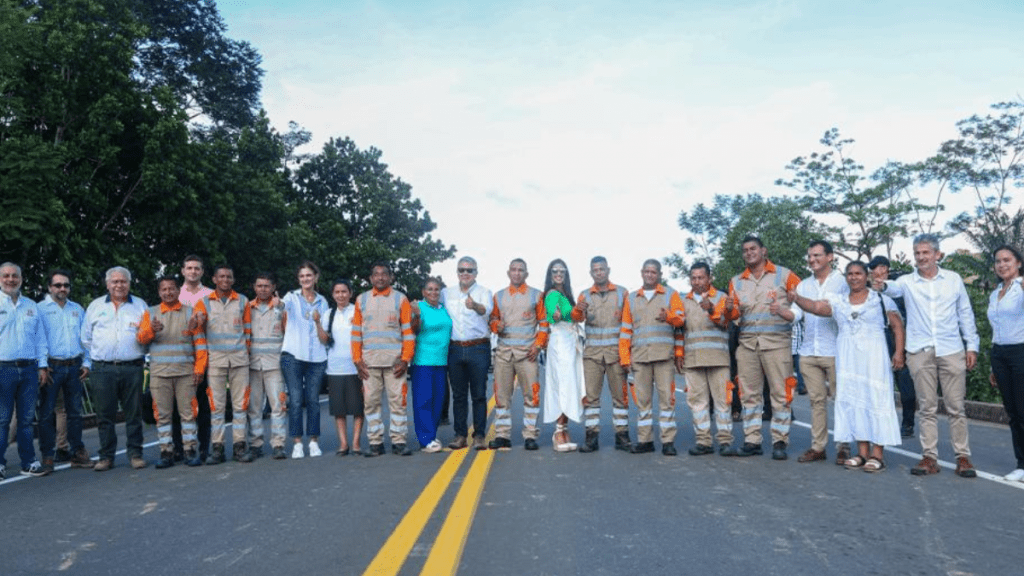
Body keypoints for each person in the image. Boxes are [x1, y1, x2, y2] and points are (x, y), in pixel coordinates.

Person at [875, 234, 980, 478]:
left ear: (937, 255)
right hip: (920, 351)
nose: (921, 257)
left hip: (951, 349)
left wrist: (972, 345)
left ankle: (962, 457)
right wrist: (882, 284)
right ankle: (929, 457)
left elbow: (965, 313)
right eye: (917, 253)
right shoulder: (906, 281)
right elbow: (892, 288)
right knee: (927, 407)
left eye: (925, 253)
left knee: (956, 407)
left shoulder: (953, 280)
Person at [790, 261, 905, 472]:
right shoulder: (839, 301)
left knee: (876, 400)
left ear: (866, 276)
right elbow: (816, 307)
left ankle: (877, 454)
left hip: (874, 358)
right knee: (855, 401)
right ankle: (862, 453)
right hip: (848, 358)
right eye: (850, 274)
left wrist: (899, 353)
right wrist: (796, 299)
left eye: (858, 273)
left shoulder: (880, 299)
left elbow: (897, 326)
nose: (854, 277)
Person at [727, 235, 801, 460]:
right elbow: (734, 316)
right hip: (748, 345)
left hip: (777, 344)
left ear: (763, 251)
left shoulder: (785, 275)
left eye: (753, 249)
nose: (749, 253)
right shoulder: (736, 281)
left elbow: (802, 300)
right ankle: (752, 440)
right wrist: (729, 309)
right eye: (745, 250)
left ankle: (779, 441)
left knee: (780, 394)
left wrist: (791, 305)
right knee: (749, 395)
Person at [81, 266, 149, 472]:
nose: (119, 285)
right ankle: (106, 456)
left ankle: (135, 454)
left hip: (133, 367)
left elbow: (148, 335)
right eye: (115, 282)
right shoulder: (95, 306)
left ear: (129, 284)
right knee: (104, 415)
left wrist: (145, 359)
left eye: (123, 281)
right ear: (107, 284)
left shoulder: (140, 305)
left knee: (134, 414)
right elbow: (86, 338)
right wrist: (100, 356)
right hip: (103, 369)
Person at [136, 277, 207, 468]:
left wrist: (199, 369)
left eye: (172, 289)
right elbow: (141, 339)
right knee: (163, 416)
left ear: (178, 291)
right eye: (164, 289)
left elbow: (200, 344)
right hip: (160, 374)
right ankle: (166, 451)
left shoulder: (191, 314)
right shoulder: (150, 314)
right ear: (159, 292)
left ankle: (190, 450)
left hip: (186, 374)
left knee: (189, 414)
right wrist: (151, 330)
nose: (168, 292)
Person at [791, 240, 849, 464]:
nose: (812, 260)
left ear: (830, 257)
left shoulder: (843, 283)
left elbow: (839, 312)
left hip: (835, 350)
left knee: (841, 400)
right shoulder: (803, 285)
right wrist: (780, 311)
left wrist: (801, 301)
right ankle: (818, 447)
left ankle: (843, 447)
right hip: (808, 351)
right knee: (816, 401)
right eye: (810, 256)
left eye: (817, 256)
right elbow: (796, 315)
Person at [619, 259, 685, 456]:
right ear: (641, 273)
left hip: (664, 356)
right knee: (643, 401)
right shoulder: (631, 298)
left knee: (667, 400)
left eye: (653, 272)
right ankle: (645, 440)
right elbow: (625, 330)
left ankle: (668, 441)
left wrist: (670, 317)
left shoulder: (670, 295)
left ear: (659, 275)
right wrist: (624, 358)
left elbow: (681, 320)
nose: (649, 275)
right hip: (640, 357)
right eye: (646, 271)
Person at [192, 265, 254, 465]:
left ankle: (239, 445)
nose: (225, 279)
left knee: (240, 405)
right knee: (216, 407)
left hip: (239, 360)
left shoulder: (243, 301)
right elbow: (196, 331)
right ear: (214, 279)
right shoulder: (203, 303)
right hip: (216, 361)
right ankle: (217, 448)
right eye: (221, 276)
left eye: (229, 276)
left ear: (233, 280)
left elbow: (248, 332)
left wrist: (245, 353)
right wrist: (196, 322)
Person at [353, 262, 416, 456]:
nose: (380, 278)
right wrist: (357, 360)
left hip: (395, 363)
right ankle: (375, 443)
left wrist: (406, 359)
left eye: (384, 274)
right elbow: (356, 334)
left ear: (390, 278)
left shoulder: (400, 299)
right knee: (371, 403)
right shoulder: (361, 300)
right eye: (376, 275)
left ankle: (399, 442)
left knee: (398, 402)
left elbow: (408, 332)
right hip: (369, 364)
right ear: (371, 279)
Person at [571, 256, 632, 452]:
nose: (599, 272)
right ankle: (591, 437)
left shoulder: (622, 294)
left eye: (602, 269)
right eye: (595, 270)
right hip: (593, 355)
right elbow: (577, 319)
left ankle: (622, 436)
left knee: (620, 398)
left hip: (616, 354)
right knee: (591, 398)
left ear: (608, 270)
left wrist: (627, 355)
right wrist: (578, 311)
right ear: (591, 273)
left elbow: (628, 324)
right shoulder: (584, 295)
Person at [37, 269, 95, 472]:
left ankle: (78, 452)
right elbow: (39, 340)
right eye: (58, 285)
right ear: (49, 287)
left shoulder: (77, 309)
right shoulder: (40, 309)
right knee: (46, 414)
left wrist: (87, 363)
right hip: (52, 368)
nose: (62, 288)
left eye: (66, 285)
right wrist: (42, 366)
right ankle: (47, 456)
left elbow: (87, 339)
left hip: (74, 367)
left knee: (75, 413)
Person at [489, 258, 549, 450]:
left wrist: (538, 345)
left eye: (520, 270)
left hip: (527, 354)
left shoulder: (536, 296)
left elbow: (544, 324)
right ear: (508, 273)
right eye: (513, 270)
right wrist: (495, 325)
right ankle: (502, 435)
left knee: (532, 395)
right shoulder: (498, 296)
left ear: (526, 274)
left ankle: (530, 435)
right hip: (504, 354)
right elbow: (493, 318)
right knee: (502, 396)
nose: (517, 273)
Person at [679, 262, 739, 456]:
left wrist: (711, 310)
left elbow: (725, 322)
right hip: (693, 359)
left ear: (709, 278)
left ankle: (725, 441)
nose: (697, 281)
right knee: (697, 402)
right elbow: (679, 330)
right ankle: (703, 441)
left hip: (718, 359)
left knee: (722, 402)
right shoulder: (682, 301)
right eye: (693, 278)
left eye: (701, 277)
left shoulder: (722, 297)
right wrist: (679, 354)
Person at [0, 262, 48, 479]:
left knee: (27, 420)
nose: (11, 279)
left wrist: (43, 365)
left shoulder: (31, 306)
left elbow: (40, 338)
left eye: (15, 276)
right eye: (6, 276)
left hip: (29, 369)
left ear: (21, 278)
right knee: (2, 420)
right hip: (4, 369)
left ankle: (28, 462)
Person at [441, 257, 493, 451]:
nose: (465, 273)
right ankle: (460, 435)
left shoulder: (484, 292)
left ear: (476, 273)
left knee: (479, 394)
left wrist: (475, 306)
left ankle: (479, 435)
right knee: (459, 395)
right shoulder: (447, 293)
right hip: (455, 348)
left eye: (469, 270)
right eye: (462, 270)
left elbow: (485, 311)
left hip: (478, 348)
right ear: (457, 272)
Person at [280, 261, 330, 458]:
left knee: (313, 400)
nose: (305, 279)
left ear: (315, 277)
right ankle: (297, 443)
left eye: (309, 275)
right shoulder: (291, 297)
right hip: (293, 355)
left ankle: (314, 441)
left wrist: (318, 321)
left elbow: (324, 333)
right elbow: (282, 307)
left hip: (316, 358)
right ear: (298, 279)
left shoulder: (323, 301)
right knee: (296, 399)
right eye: (302, 276)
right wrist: (278, 305)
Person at [868, 256, 916, 439]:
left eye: (879, 267)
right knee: (879, 385)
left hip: (899, 337)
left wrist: (900, 349)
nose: (876, 271)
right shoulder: (867, 289)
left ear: (886, 268)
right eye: (872, 268)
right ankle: (882, 423)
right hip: (877, 337)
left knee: (905, 385)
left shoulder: (899, 286)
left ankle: (908, 423)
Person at [987, 245, 1024, 481]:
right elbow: (995, 328)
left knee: (1023, 410)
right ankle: (1021, 464)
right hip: (999, 354)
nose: (1002, 265)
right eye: (998, 261)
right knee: (1012, 412)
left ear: (1018, 262)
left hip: (1020, 351)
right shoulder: (996, 292)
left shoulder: (1021, 287)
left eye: (1007, 260)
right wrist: (993, 366)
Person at [541, 259, 585, 452]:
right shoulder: (552, 294)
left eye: (562, 271)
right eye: (555, 271)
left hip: (571, 341)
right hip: (559, 343)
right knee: (563, 386)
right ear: (550, 274)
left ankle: (565, 429)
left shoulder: (566, 294)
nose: (558, 274)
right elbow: (552, 314)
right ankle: (558, 431)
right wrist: (556, 314)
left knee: (571, 386)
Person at [317, 278, 363, 456]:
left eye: (344, 291)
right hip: (335, 367)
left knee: (359, 407)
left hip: (356, 367)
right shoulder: (328, 314)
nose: (341, 295)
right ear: (332, 295)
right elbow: (324, 340)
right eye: (337, 292)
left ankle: (356, 443)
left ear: (350, 293)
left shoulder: (358, 311)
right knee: (339, 409)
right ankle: (343, 444)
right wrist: (317, 323)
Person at [175, 254, 214, 461]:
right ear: (183, 271)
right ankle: (180, 448)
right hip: (180, 358)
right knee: (179, 408)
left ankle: (205, 448)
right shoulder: (174, 294)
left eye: (197, 268)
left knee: (204, 407)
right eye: (189, 268)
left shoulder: (210, 295)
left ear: (202, 271)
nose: (193, 272)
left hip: (205, 357)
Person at [409, 278, 453, 452]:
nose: (434, 292)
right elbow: (414, 329)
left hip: (441, 361)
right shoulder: (418, 307)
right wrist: (417, 314)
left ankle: (431, 435)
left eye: (437, 289)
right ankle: (425, 439)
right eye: (430, 289)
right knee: (423, 400)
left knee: (438, 400)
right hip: (423, 361)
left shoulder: (444, 309)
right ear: (423, 292)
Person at [247, 272, 288, 460]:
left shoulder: (282, 308)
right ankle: (255, 444)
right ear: (254, 288)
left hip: (275, 364)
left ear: (273, 288)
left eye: (266, 286)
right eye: (259, 286)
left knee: (278, 406)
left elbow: (289, 333)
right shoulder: (247, 308)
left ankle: (278, 444)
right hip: (252, 364)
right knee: (254, 407)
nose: (262, 289)